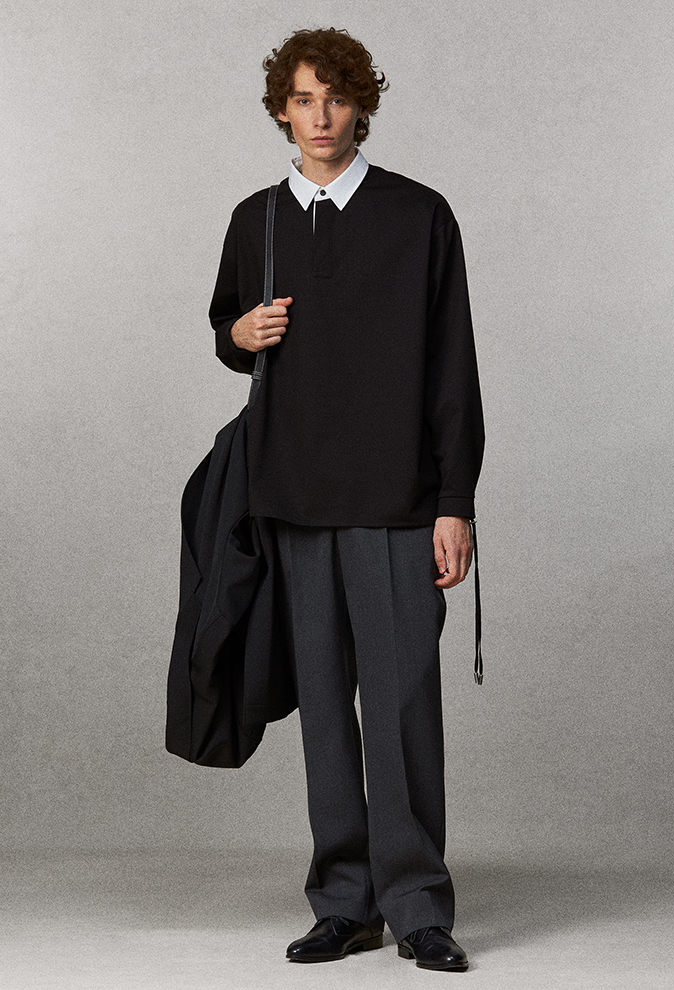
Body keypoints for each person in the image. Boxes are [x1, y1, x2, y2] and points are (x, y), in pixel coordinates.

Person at [208, 27, 485, 972]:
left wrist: (455, 500)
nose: (320, 116)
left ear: (361, 105)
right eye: (302, 99)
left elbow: (452, 366)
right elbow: (227, 330)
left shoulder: (419, 215)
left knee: (402, 707)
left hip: (400, 502)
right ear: (281, 110)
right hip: (291, 498)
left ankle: (418, 905)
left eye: (335, 97)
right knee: (324, 709)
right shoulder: (256, 220)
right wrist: (239, 332)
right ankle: (344, 902)